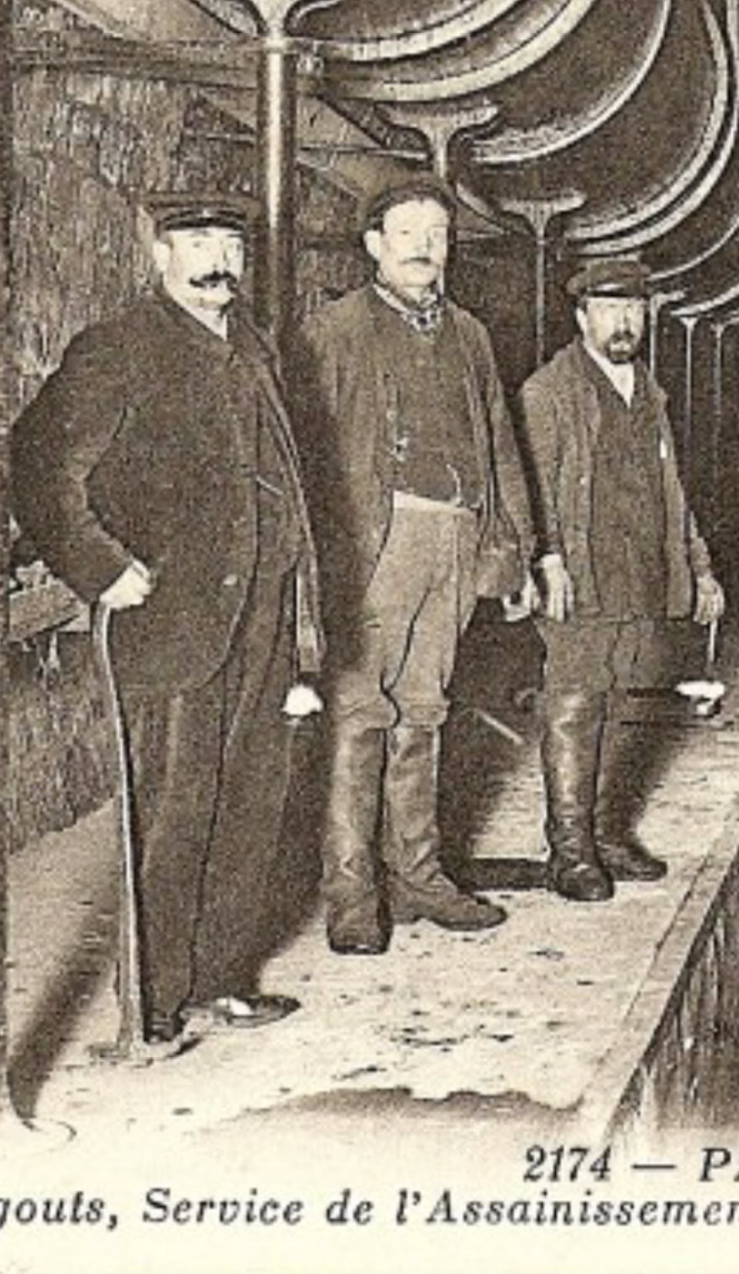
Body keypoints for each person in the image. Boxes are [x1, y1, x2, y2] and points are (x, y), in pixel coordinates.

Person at [8, 192, 323, 1044]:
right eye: (198, 243)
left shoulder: (253, 347)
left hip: (260, 615)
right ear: (160, 255)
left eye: (230, 244)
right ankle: (150, 1006)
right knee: (174, 814)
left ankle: (219, 979)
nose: (218, 260)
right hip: (173, 621)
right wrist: (100, 566)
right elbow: (38, 462)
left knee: (250, 807)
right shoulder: (120, 347)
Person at [288, 175, 540, 956]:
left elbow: (499, 444)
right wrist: (314, 568)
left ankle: (420, 877)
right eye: (408, 234)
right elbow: (303, 456)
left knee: (425, 711)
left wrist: (515, 552)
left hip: (454, 539)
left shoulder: (469, 335)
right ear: (374, 245)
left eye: (437, 234)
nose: (425, 247)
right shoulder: (334, 331)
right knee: (361, 715)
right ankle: (352, 894)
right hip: (378, 541)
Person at [519, 257, 726, 902]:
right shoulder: (550, 390)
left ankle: (606, 834)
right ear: (582, 317)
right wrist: (546, 559)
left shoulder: (648, 392)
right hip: (580, 575)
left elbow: (672, 492)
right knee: (574, 704)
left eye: (633, 310)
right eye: (609, 310)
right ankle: (570, 849)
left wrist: (698, 567)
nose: (623, 323)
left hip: (639, 573)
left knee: (617, 702)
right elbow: (532, 488)